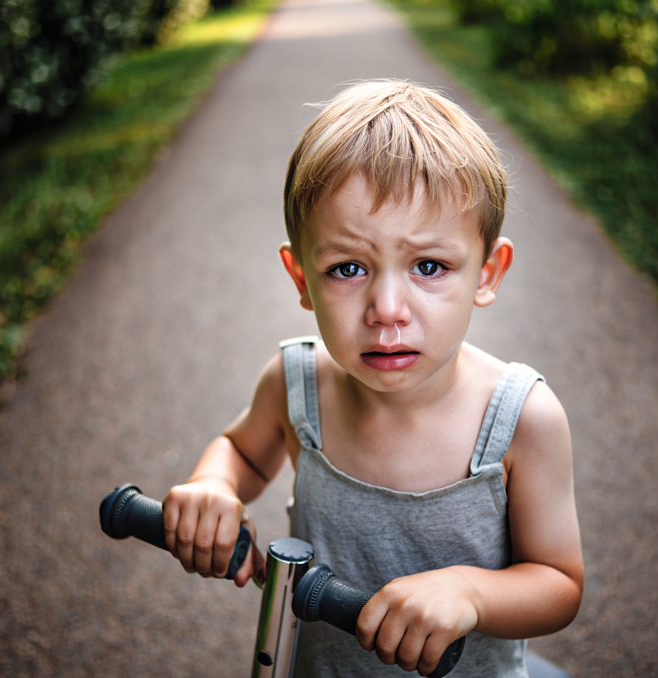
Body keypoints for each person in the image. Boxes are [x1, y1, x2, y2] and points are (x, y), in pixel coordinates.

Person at [161, 80, 583, 677]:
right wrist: (213, 485)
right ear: (302, 277)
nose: (387, 307)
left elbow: (559, 583)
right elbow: (241, 453)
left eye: (429, 266)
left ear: (487, 273)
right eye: (348, 268)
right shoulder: (296, 382)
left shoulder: (521, 419)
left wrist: (470, 592)